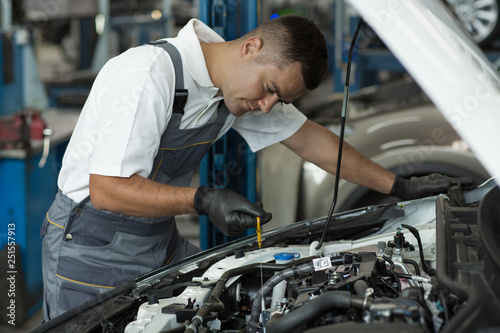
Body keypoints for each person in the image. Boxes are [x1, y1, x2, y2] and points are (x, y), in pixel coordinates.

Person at [40, 14, 476, 321]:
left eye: (278, 100)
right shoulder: (149, 75)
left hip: (155, 241)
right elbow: (108, 189)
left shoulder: (238, 87)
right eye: (269, 90)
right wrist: (203, 199)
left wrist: (399, 184)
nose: (266, 106)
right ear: (251, 47)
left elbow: (311, 140)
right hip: (88, 249)